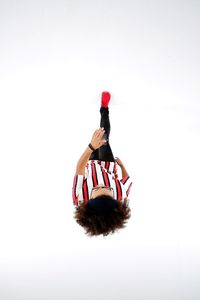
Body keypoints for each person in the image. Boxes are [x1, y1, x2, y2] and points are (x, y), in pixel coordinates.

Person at [72, 91, 133, 236]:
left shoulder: (79, 199)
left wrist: (92, 146)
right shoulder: (121, 196)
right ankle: (104, 108)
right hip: (108, 165)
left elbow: (80, 168)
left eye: (96, 189)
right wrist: (122, 166)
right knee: (104, 136)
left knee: (97, 138)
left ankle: (98, 137)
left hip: (91, 164)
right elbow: (126, 180)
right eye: (106, 187)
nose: (100, 184)